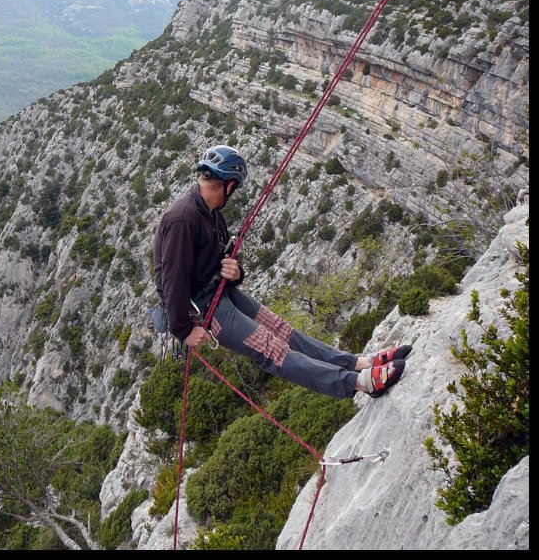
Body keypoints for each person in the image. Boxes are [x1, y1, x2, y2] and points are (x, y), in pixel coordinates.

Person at [153, 145, 410, 399]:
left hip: (219, 290)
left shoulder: (211, 214)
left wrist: (236, 272)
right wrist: (183, 330)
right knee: (270, 349)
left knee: (282, 330)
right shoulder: (183, 218)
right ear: (229, 185)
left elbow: (222, 257)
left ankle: (357, 363)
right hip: (202, 306)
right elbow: (172, 279)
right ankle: (359, 382)